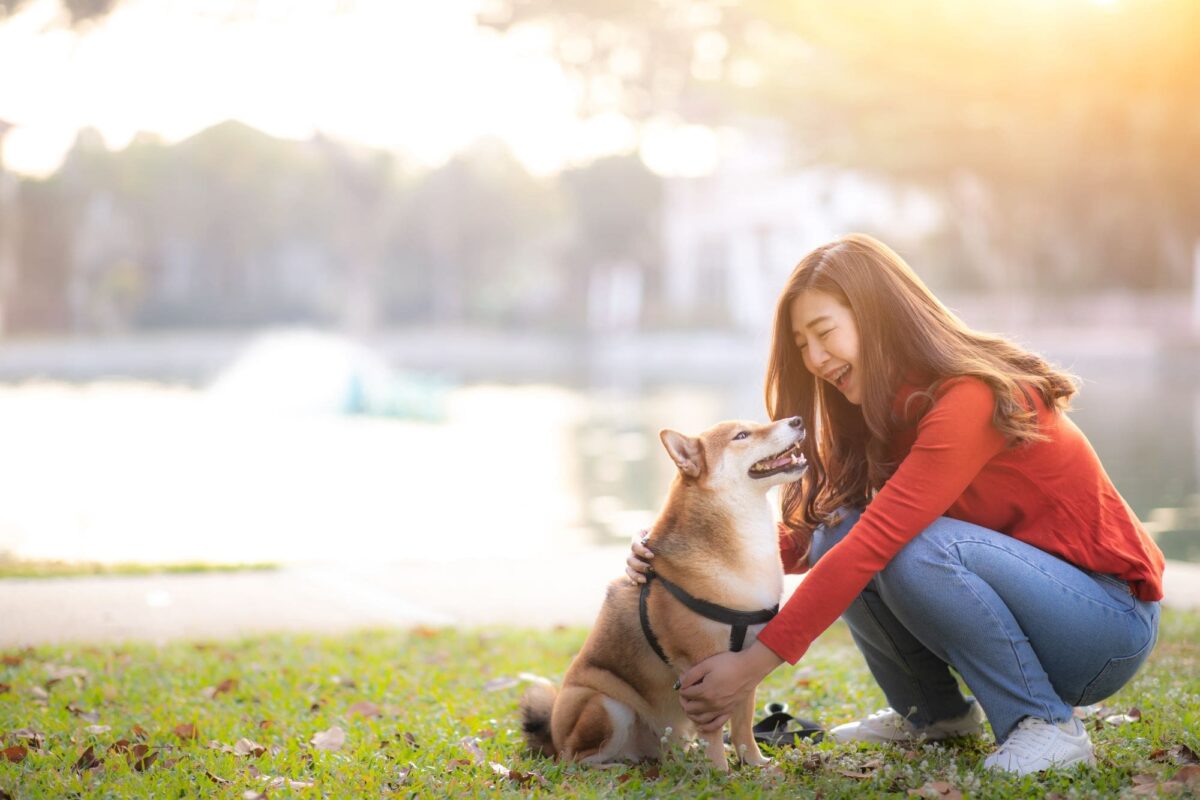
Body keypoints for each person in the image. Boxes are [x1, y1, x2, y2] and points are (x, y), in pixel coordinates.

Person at [625, 233, 1163, 775]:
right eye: (802, 344)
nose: (813, 358)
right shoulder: (876, 412)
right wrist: (677, 556)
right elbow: (820, 538)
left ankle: (1044, 722)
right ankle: (932, 715)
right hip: (1038, 616)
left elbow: (875, 545)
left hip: (1104, 627)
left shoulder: (967, 396)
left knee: (907, 545)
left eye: (824, 333)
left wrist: (751, 667)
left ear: (878, 316)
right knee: (843, 527)